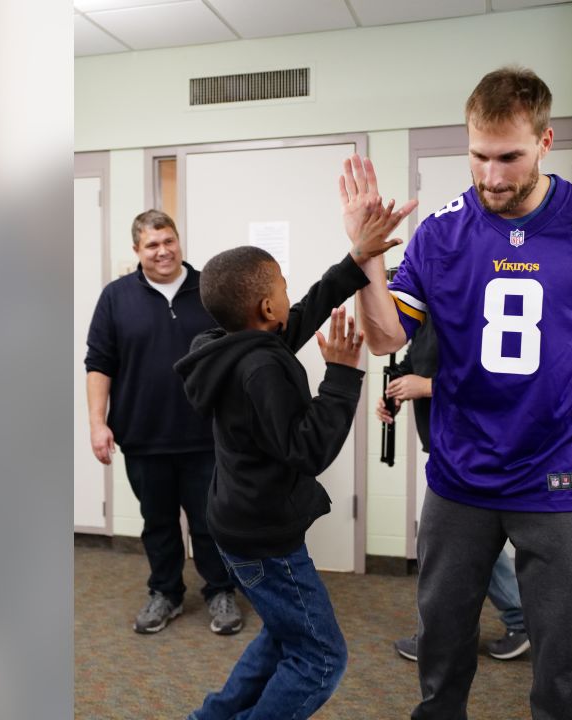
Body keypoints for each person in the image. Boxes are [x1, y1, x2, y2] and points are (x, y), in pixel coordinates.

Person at [344, 66, 572, 720]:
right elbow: (383, 339)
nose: (492, 176)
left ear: (545, 142)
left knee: (561, 659)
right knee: (440, 642)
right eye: (479, 156)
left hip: (561, 478)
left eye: (510, 157)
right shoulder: (442, 232)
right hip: (461, 476)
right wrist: (365, 258)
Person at [174, 199, 414, 720]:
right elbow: (307, 449)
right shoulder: (259, 367)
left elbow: (298, 319)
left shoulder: (226, 345)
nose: (288, 290)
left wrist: (354, 262)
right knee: (321, 658)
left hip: (240, 524)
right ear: (264, 308)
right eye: (281, 284)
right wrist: (343, 374)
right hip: (265, 539)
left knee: (283, 637)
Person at [84, 209, 242, 635]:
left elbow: (239, 353)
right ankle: (166, 594)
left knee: (212, 521)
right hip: (142, 434)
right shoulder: (116, 297)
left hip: (205, 435)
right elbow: (99, 363)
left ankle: (221, 591)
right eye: (152, 244)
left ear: (179, 240)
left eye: (168, 240)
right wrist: (98, 424)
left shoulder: (211, 289)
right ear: (137, 250)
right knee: (158, 522)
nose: (162, 251)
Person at [380, 312, 531, 662]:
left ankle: (439, 636)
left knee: (444, 547)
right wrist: (398, 387)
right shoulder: (429, 310)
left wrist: (428, 386)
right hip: (445, 444)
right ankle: (516, 620)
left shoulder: (473, 304)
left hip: (472, 445)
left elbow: (493, 375)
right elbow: (414, 359)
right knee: (461, 545)